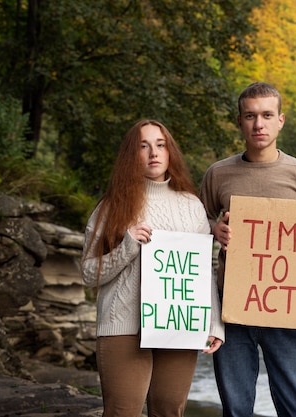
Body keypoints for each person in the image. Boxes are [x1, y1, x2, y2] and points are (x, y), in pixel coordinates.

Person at [200, 82, 296, 417]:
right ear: (240, 121)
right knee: (236, 409)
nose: (259, 124)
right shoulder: (218, 174)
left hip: (288, 308)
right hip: (231, 309)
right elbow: (194, 223)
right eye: (250, 116)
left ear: (281, 120)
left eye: (267, 115)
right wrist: (213, 228)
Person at [81, 119, 224, 417]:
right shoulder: (112, 206)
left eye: (160, 145)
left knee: (169, 411)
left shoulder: (191, 206)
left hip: (178, 324)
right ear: (131, 156)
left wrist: (213, 324)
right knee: (122, 412)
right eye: (143, 147)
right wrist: (127, 247)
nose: (153, 153)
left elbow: (201, 271)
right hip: (123, 327)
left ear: (170, 152)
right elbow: (87, 273)